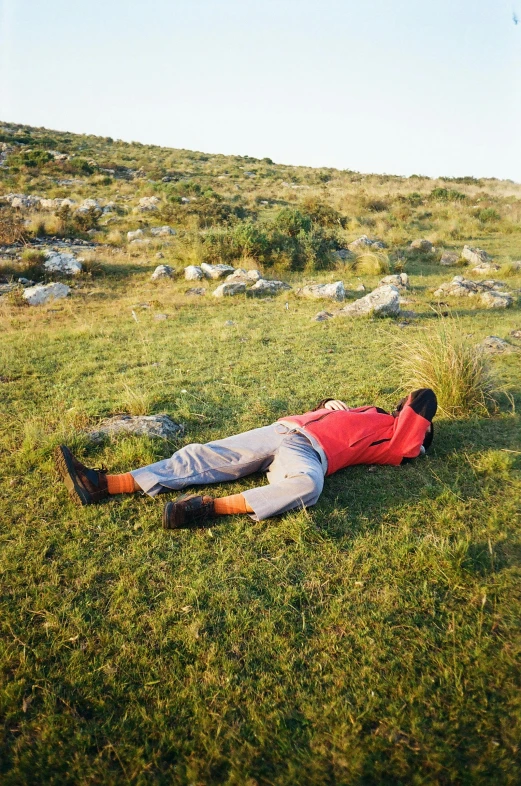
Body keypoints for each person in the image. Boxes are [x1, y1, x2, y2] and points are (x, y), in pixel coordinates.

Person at [55, 388, 436, 530]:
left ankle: (206, 509)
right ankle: (103, 484)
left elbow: (424, 397)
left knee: (308, 485)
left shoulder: (397, 440)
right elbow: (324, 412)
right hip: (283, 429)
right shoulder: (368, 410)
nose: (404, 408)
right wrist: (328, 403)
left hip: (308, 455)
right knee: (201, 455)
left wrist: (418, 429)